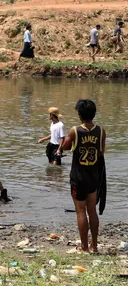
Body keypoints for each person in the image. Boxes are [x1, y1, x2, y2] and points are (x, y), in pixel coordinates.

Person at [62, 99, 105, 254]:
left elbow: (66, 146)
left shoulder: (75, 131)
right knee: (92, 211)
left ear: (79, 115)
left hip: (78, 177)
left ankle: (85, 247)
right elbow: (101, 153)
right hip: (93, 176)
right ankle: (95, 246)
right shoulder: (100, 131)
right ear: (94, 114)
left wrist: (61, 147)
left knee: (80, 211)